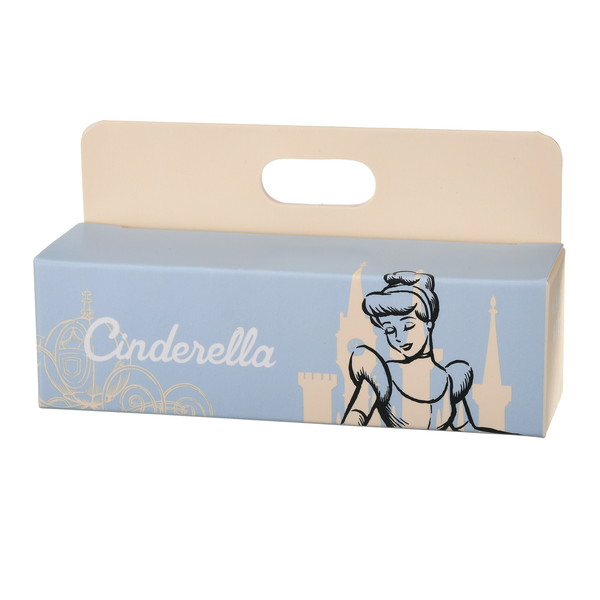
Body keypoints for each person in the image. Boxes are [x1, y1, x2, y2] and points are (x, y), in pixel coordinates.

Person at [341, 271, 498, 432]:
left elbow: (466, 430)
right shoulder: (382, 375)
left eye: (408, 326)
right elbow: (354, 419)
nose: (399, 338)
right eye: (390, 330)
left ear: (428, 324)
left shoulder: (449, 379)